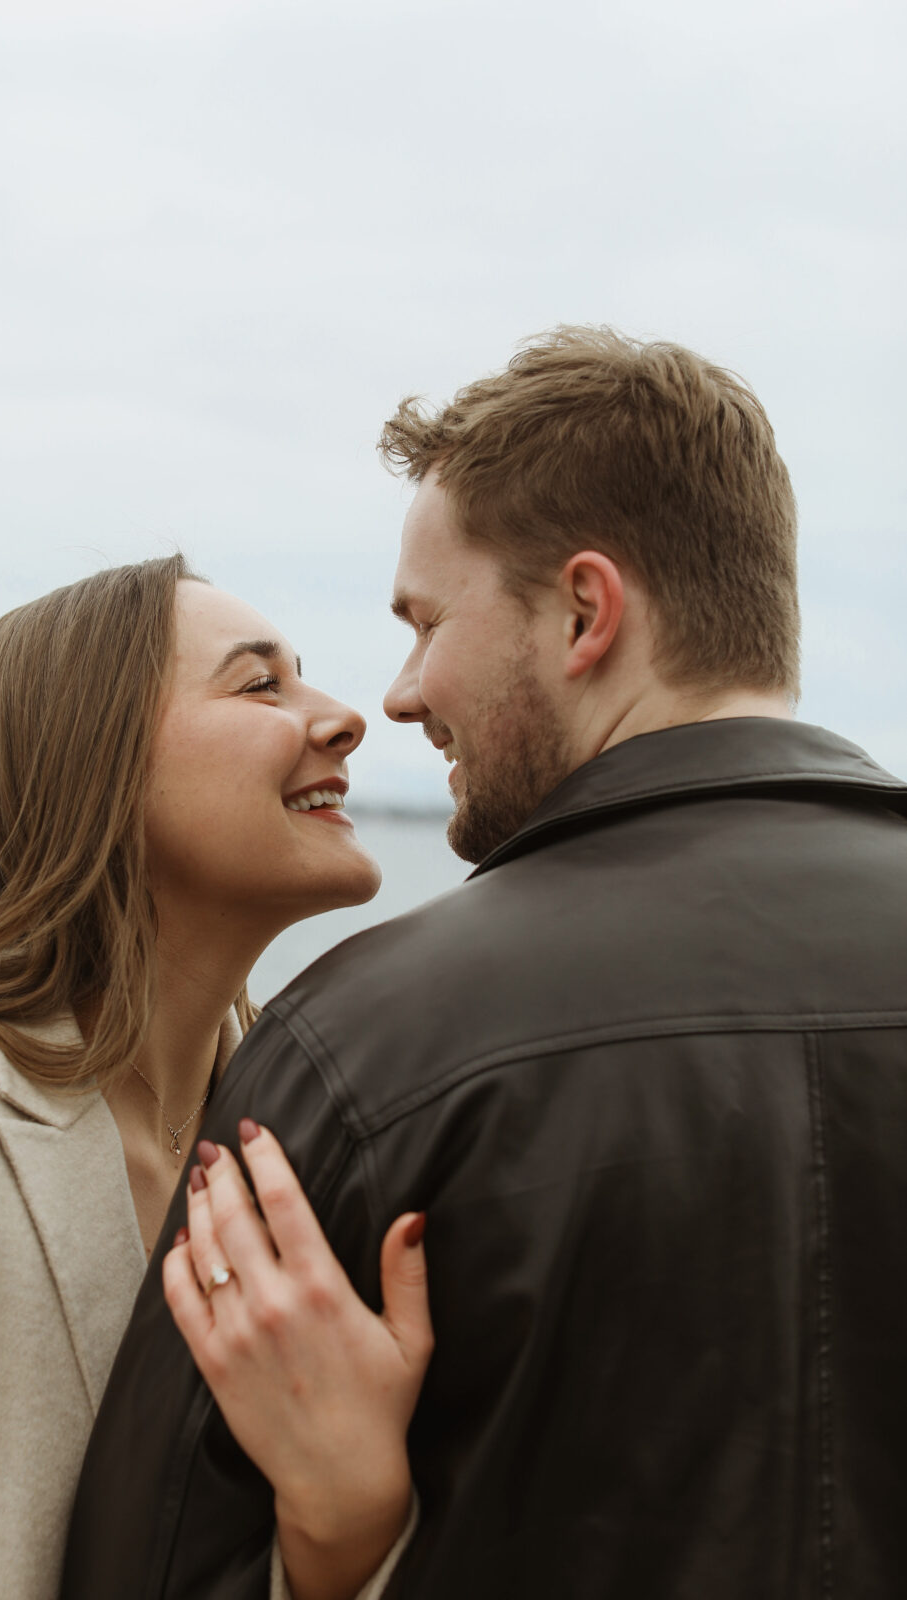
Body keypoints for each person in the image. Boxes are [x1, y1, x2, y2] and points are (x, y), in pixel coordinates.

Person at [63, 327, 907, 1598]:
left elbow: (150, 1572)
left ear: (583, 612)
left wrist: (346, 1530)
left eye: (425, 622)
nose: (395, 696)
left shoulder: (366, 1043)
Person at [0, 556, 434, 1600]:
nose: (346, 716)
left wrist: (346, 1529)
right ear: (93, 764)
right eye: (261, 684)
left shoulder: (300, 1162)